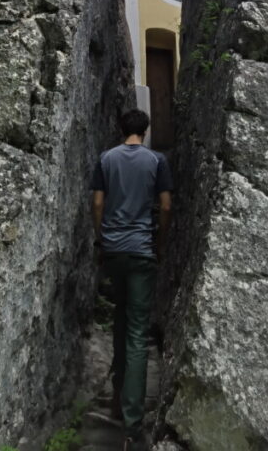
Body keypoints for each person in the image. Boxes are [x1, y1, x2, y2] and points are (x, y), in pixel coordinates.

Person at [91, 109, 173, 451]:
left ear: (120, 128)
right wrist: (160, 241)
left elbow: (97, 202)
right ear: (146, 130)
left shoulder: (105, 159)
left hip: (113, 250)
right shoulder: (157, 161)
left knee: (120, 318)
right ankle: (132, 424)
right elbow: (166, 206)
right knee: (138, 332)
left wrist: (102, 235)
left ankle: (117, 391)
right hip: (141, 250)